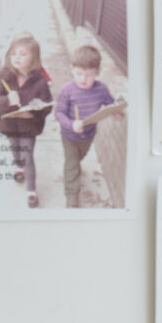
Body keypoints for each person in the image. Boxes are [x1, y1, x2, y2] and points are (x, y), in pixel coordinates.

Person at [0, 32, 52, 209]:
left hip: (29, 125)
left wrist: (34, 113)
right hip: (9, 123)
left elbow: (47, 104)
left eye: (22, 54)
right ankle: (18, 167)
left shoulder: (40, 81)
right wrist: (7, 101)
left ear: (34, 58)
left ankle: (31, 191)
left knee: (27, 154)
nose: (17, 57)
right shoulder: (5, 76)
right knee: (14, 147)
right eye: (14, 53)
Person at [54, 41, 122, 209]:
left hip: (89, 134)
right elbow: (59, 113)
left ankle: (75, 168)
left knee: (79, 158)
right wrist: (71, 124)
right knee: (72, 163)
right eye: (79, 73)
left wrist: (117, 113)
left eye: (89, 75)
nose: (83, 79)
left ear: (97, 72)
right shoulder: (67, 90)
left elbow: (111, 105)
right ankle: (71, 197)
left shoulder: (101, 89)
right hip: (69, 135)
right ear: (72, 70)